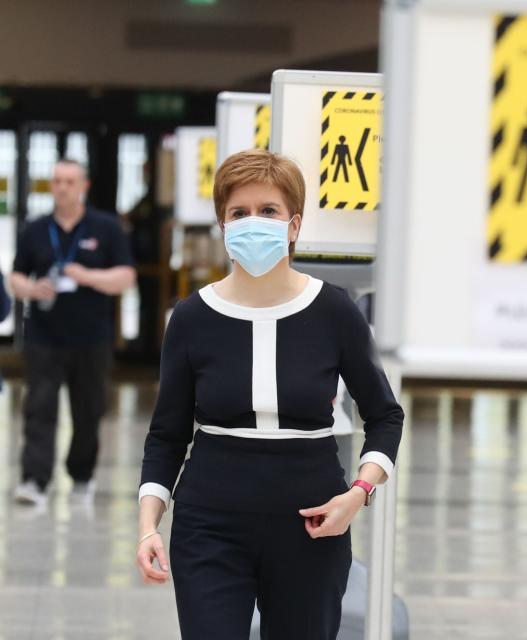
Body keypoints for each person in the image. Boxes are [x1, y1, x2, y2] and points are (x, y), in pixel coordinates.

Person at [136, 150, 403, 639]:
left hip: (312, 524)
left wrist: (358, 494)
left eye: (269, 211)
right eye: (239, 213)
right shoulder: (192, 318)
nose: (252, 222)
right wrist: (149, 525)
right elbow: (166, 435)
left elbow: (385, 415)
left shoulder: (335, 312)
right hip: (209, 523)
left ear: (294, 225)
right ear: (223, 225)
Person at [10, 158, 135, 506]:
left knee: (88, 411)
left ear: (84, 186)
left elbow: (126, 277)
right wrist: (32, 289)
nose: (62, 187)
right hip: (44, 338)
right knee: (39, 409)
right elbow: (15, 277)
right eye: (56, 181)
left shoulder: (106, 228)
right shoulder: (35, 228)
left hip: (91, 338)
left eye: (69, 181)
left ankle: (82, 477)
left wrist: (88, 276)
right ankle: (34, 480)